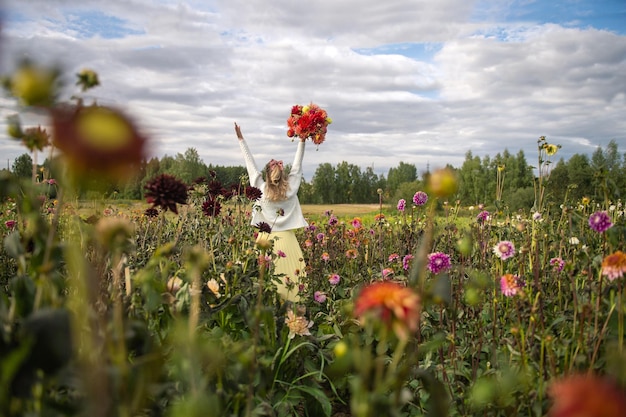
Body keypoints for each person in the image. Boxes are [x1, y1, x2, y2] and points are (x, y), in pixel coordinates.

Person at [235, 122, 308, 301]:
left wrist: (241, 139)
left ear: (266, 175)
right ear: (283, 175)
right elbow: (297, 165)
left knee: (263, 281)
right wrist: (302, 140)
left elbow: (250, 164)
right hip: (288, 241)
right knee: (293, 282)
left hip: (265, 241)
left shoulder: (260, 188)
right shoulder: (291, 188)